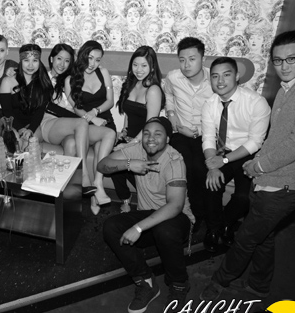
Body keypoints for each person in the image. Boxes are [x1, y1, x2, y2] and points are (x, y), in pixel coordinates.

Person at [200, 30, 295, 301]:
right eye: (278, 60)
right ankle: (259, 285)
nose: (284, 66)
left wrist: (257, 166)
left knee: (246, 237)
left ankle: (218, 283)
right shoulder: (290, 87)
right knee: (264, 235)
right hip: (270, 174)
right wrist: (256, 165)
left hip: (288, 183)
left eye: (291, 59)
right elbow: (276, 138)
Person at [99, 117, 194, 313]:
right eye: (147, 133)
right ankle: (145, 281)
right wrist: (128, 164)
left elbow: (175, 206)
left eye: (158, 134)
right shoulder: (137, 150)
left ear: (167, 139)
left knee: (165, 230)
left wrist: (138, 227)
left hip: (175, 220)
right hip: (147, 217)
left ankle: (179, 284)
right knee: (110, 227)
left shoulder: (174, 160)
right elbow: (102, 165)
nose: (151, 138)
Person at [200, 57, 270, 252]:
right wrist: (212, 164)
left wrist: (222, 161)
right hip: (221, 151)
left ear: (237, 76)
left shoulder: (256, 103)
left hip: (246, 153)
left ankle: (226, 223)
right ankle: (213, 229)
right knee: (210, 186)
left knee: (243, 197)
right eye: (215, 76)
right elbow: (208, 138)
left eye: (226, 75)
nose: (220, 81)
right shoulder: (209, 104)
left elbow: (255, 142)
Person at [163, 37, 213, 231]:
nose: (186, 65)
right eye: (182, 60)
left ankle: (200, 214)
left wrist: (199, 131)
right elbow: (168, 94)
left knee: (200, 168)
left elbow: (221, 112)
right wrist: (171, 113)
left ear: (203, 59)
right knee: (183, 166)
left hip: (206, 135)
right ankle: (183, 210)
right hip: (180, 133)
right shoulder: (174, 77)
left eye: (192, 59)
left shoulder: (214, 80)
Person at [65, 40, 117, 215]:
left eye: (97, 59)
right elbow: (76, 109)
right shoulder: (70, 80)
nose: (93, 63)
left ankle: (96, 188)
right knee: (108, 135)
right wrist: (92, 118)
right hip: (85, 125)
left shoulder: (104, 73)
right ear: (82, 56)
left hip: (105, 120)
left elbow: (110, 101)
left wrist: (96, 111)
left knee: (103, 143)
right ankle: (97, 186)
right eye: (90, 58)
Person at [113, 45, 165, 213]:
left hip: (145, 140)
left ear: (152, 67)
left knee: (124, 162)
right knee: (111, 161)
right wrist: (124, 131)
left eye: (144, 65)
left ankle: (152, 201)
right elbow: (129, 113)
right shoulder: (131, 83)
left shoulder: (153, 90)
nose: (138, 70)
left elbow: (150, 124)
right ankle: (125, 199)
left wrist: (131, 144)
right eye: (135, 65)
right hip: (130, 137)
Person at [40, 43, 96, 194]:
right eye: (59, 59)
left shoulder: (70, 80)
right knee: (82, 122)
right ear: (51, 59)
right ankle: (85, 177)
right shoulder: (43, 78)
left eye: (67, 61)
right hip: (50, 123)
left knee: (71, 144)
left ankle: (66, 194)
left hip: (68, 127)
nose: (62, 64)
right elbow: (49, 107)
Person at [0, 43, 53, 149]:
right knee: (17, 142)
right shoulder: (8, 81)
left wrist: (30, 129)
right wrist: (20, 129)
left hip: (33, 125)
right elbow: (7, 111)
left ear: (39, 62)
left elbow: (40, 111)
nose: (30, 65)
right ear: (21, 61)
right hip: (12, 124)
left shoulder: (43, 82)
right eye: (26, 60)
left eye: (35, 60)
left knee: (31, 144)